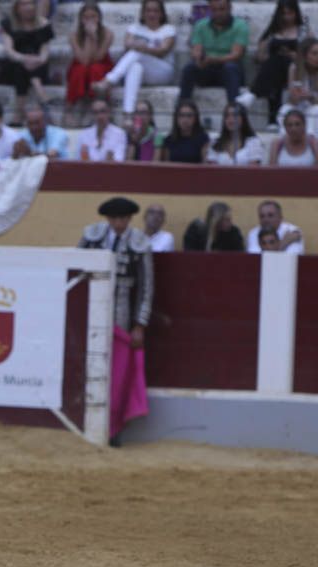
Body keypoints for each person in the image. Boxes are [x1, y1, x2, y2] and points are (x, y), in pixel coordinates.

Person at [77, 197, 152, 446]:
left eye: (123, 218)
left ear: (130, 219)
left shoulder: (139, 243)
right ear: (107, 219)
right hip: (88, 314)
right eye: (115, 218)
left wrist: (139, 324)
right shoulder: (92, 237)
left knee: (118, 378)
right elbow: (75, 270)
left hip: (121, 317)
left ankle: (114, 431)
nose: (119, 223)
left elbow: (146, 287)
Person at [92, 0, 175, 119]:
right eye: (148, 10)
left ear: (161, 13)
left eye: (156, 11)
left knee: (137, 53)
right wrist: (144, 48)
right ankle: (128, 114)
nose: (152, 14)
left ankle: (109, 81)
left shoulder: (168, 29)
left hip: (163, 71)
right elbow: (127, 45)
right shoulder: (134, 28)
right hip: (143, 71)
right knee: (135, 67)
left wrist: (143, 47)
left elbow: (163, 50)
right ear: (142, 13)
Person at [237, 0, 304, 125]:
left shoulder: (302, 31)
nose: (287, 17)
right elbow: (259, 56)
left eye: (290, 13)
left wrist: (294, 55)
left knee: (280, 62)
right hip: (274, 70)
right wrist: (264, 52)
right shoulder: (273, 32)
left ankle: (253, 94)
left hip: (294, 69)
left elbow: (309, 53)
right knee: (275, 62)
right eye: (283, 14)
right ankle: (272, 120)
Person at [180, 0, 248, 105]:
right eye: (214, 10)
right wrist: (198, 58)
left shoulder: (240, 25)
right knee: (190, 68)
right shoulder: (200, 25)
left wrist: (213, 60)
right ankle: (182, 107)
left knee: (231, 68)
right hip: (207, 69)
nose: (218, 13)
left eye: (222, 9)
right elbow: (196, 49)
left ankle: (234, 110)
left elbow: (236, 54)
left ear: (230, 8)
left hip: (228, 70)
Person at [0, 0, 53, 124]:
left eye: (31, 3)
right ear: (17, 7)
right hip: (15, 63)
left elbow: (44, 53)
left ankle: (19, 114)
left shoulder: (43, 24)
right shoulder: (8, 24)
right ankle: (42, 95)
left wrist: (36, 60)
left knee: (28, 66)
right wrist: (25, 59)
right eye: (24, 4)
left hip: (38, 64)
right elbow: (10, 51)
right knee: (21, 66)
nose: (29, 7)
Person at [276, 38, 318, 141]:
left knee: (315, 112)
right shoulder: (294, 69)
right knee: (285, 110)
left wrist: (310, 96)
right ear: (304, 56)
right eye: (315, 54)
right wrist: (296, 96)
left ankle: (311, 150)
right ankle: (286, 146)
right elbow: (292, 101)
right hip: (304, 111)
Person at [65, 0, 113, 124]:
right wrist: (88, 36)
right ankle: (69, 110)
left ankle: (97, 106)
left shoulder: (107, 33)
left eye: (93, 17)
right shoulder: (74, 36)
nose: (90, 20)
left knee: (95, 69)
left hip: (101, 64)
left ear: (99, 18)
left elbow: (99, 56)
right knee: (79, 70)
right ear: (81, 19)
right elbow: (84, 60)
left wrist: (94, 37)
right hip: (81, 63)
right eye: (86, 17)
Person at [157, 98, 208, 163]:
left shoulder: (203, 138)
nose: (185, 119)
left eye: (189, 116)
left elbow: (205, 165)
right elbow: (166, 166)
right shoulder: (169, 140)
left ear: (195, 118)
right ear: (176, 118)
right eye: (181, 115)